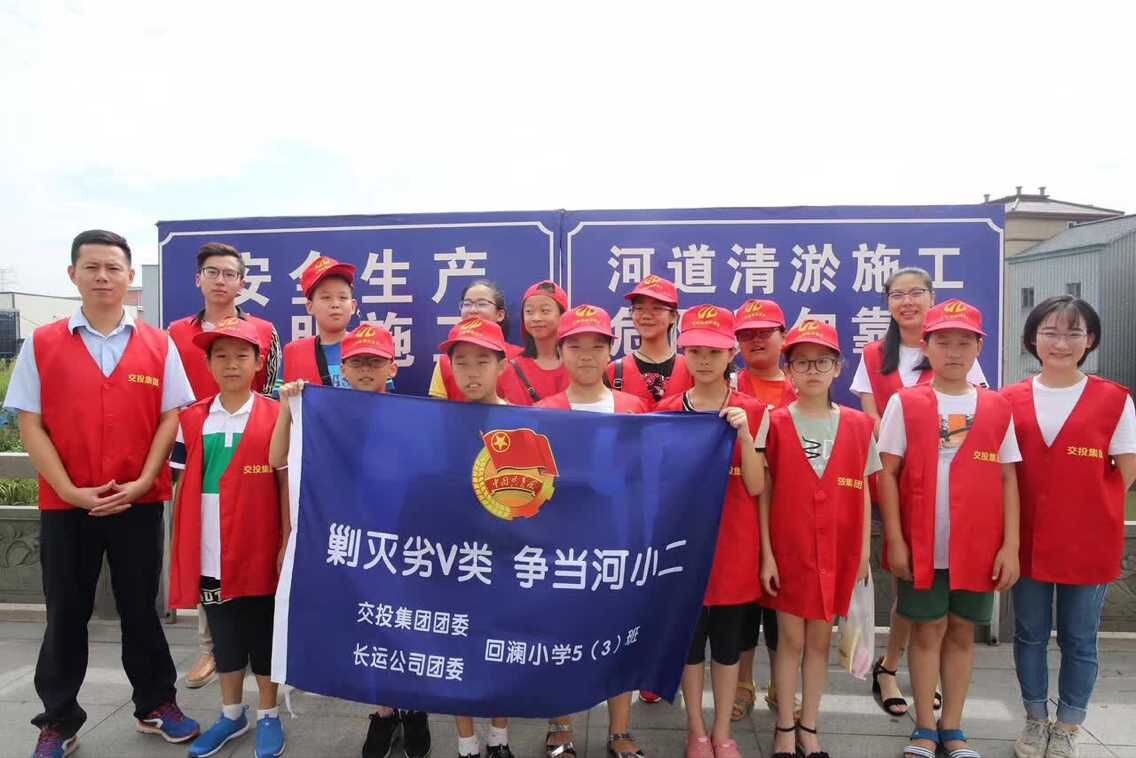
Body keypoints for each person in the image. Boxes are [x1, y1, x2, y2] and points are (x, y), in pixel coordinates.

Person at [3, 230, 200, 758]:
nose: (103, 277)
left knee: (141, 609)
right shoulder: (43, 343)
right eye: (91, 267)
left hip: (138, 501)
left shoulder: (158, 344)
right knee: (66, 613)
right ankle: (58, 720)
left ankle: (155, 704)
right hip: (67, 505)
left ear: (129, 276)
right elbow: (29, 423)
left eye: (113, 268)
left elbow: (170, 418)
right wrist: (70, 490)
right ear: (73, 275)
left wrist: (143, 480)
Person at [270, 325, 432, 758]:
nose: (365, 369)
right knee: (370, 626)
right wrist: (288, 409)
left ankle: (414, 706)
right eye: (357, 361)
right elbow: (276, 458)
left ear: (391, 367)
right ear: (343, 367)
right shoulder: (325, 412)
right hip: (356, 543)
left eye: (374, 361)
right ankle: (383, 713)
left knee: (407, 626)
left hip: (405, 541)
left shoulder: (412, 413)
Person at [877, 299, 1021, 758]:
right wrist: (895, 539)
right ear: (926, 346)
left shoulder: (997, 406)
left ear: (979, 348)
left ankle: (953, 726)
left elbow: (1008, 477)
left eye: (964, 342)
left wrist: (1011, 546)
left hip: (978, 546)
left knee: (961, 632)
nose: (954, 352)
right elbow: (887, 474)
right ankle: (924, 726)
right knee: (925, 631)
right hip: (922, 543)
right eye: (943, 342)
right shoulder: (905, 402)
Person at [1002, 296, 1136, 758]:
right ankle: (1035, 719)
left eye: (1073, 333)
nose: (1061, 343)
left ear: (1089, 340)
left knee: (1080, 637)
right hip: (1027, 539)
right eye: (1050, 333)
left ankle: (1068, 725)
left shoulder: (1114, 399)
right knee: (1030, 634)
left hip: (1088, 540)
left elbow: (1126, 471)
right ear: (1032, 338)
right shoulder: (1009, 400)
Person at [851, 267, 986, 718]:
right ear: (887, 303)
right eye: (897, 294)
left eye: (916, 293)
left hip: (946, 489)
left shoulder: (956, 350)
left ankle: (913, 668)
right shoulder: (874, 355)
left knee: (929, 584)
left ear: (932, 297)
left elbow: (972, 418)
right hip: (893, 480)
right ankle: (890, 665)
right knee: (906, 578)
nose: (907, 302)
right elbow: (872, 421)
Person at [168, 317, 286, 758]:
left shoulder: (277, 415)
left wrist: (286, 543)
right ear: (208, 364)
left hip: (260, 546)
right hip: (210, 551)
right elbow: (176, 480)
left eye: (241, 355)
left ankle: (269, 714)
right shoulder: (192, 418)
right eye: (221, 356)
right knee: (225, 637)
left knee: (265, 636)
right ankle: (232, 714)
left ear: (258, 363)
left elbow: (288, 485)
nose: (231, 364)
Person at [759, 320, 878, 758]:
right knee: (790, 640)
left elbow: (864, 491)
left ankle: (809, 725)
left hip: (837, 550)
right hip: (790, 549)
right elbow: (765, 494)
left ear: (838, 367)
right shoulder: (774, 422)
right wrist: (767, 554)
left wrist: (863, 552)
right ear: (788, 370)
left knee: (821, 641)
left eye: (822, 362)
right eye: (802, 363)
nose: (812, 371)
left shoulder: (859, 425)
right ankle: (784, 725)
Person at [167, 240, 281, 691]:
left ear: (242, 282)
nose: (220, 281)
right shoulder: (177, 332)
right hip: (199, 437)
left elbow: (271, 386)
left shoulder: (264, 330)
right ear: (198, 278)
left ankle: (261, 681)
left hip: (251, 440)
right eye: (212, 272)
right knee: (206, 547)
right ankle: (210, 650)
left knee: (252, 561)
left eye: (229, 273)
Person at [654, 305, 767, 758]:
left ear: (731, 354)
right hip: (684, 549)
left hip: (734, 547)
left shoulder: (752, 410)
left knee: (727, 647)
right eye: (695, 351)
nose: (703, 360)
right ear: (683, 353)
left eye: (714, 352)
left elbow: (756, 486)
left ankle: (722, 731)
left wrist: (744, 436)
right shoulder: (666, 412)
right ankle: (696, 729)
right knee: (689, 646)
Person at [535, 305, 647, 758]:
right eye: (575, 346)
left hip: (618, 542)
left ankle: (620, 730)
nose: (585, 355)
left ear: (610, 352)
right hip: (561, 544)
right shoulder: (544, 412)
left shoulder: (633, 408)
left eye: (596, 346)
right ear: (561, 351)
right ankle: (560, 724)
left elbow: (646, 477)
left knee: (621, 633)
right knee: (560, 634)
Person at [436, 317, 516, 758]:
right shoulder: (440, 421)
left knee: (502, 645)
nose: (471, 371)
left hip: (506, 557)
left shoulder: (522, 422)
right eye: (461, 361)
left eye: (482, 361)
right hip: (455, 558)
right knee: (457, 649)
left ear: (502, 365)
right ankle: (466, 743)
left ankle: (499, 737)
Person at [730, 298, 797, 722]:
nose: (756, 341)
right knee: (742, 604)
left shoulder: (801, 386)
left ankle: (779, 684)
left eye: (764, 333)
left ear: (783, 338)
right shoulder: (727, 385)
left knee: (780, 601)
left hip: (788, 509)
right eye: (747, 335)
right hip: (739, 510)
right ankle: (742, 684)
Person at [603, 275, 692, 411]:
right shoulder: (614, 372)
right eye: (639, 308)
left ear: (674, 316)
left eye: (656, 308)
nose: (646, 316)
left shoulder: (692, 369)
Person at [428, 278, 523, 400]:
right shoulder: (444, 363)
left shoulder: (519, 359)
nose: (473, 310)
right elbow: (436, 410)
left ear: (500, 314)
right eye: (467, 304)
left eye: (481, 304)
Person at [281, 255, 358, 386]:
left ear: (353, 306)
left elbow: (383, 396)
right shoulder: (293, 353)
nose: (335, 304)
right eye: (326, 297)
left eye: (343, 297)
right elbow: (279, 398)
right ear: (310, 307)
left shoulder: (369, 348)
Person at [504, 279, 569, 404]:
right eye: (529, 312)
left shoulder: (576, 365)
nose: (536, 318)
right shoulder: (511, 369)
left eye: (545, 311)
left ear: (562, 315)